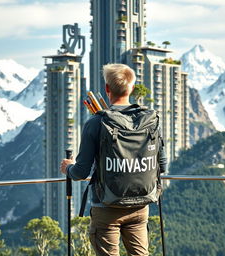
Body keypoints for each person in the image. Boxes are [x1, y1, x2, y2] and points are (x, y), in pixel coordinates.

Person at [60, 63, 167, 256]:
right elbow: (162, 165)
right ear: (132, 88)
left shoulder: (97, 122)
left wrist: (68, 168)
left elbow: (81, 172)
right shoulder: (150, 121)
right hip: (141, 205)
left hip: (106, 207)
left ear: (107, 89)